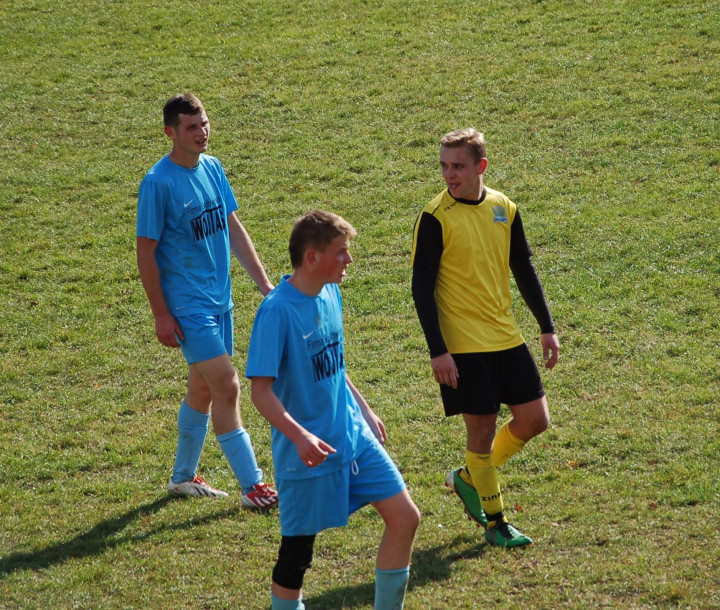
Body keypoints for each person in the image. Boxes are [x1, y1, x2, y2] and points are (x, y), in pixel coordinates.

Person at [247, 210, 420, 610]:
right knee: (297, 556)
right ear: (312, 257)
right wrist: (300, 436)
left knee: (405, 517)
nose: (349, 259)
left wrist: (364, 409)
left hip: (353, 437)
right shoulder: (276, 312)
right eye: (341, 251)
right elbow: (260, 393)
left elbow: (335, 365)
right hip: (309, 456)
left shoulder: (330, 293)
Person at [411, 128, 560, 547]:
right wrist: (438, 351)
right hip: (463, 345)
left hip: (506, 335)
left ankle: (468, 476)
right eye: (444, 166)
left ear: (481, 166)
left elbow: (523, 268)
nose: (449, 174)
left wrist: (546, 327)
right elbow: (421, 288)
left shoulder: (504, 208)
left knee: (535, 420)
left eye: (458, 166)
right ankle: (497, 523)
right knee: (480, 433)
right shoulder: (435, 218)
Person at [136, 93, 278, 509]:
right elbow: (145, 253)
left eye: (204, 124)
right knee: (227, 385)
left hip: (220, 301)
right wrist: (161, 314)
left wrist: (265, 285)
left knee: (201, 387)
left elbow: (232, 226)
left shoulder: (212, 167)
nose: (202, 133)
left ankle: (182, 477)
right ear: (171, 132)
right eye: (192, 127)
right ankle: (253, 486)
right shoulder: (158, 183)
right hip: (187, 306)